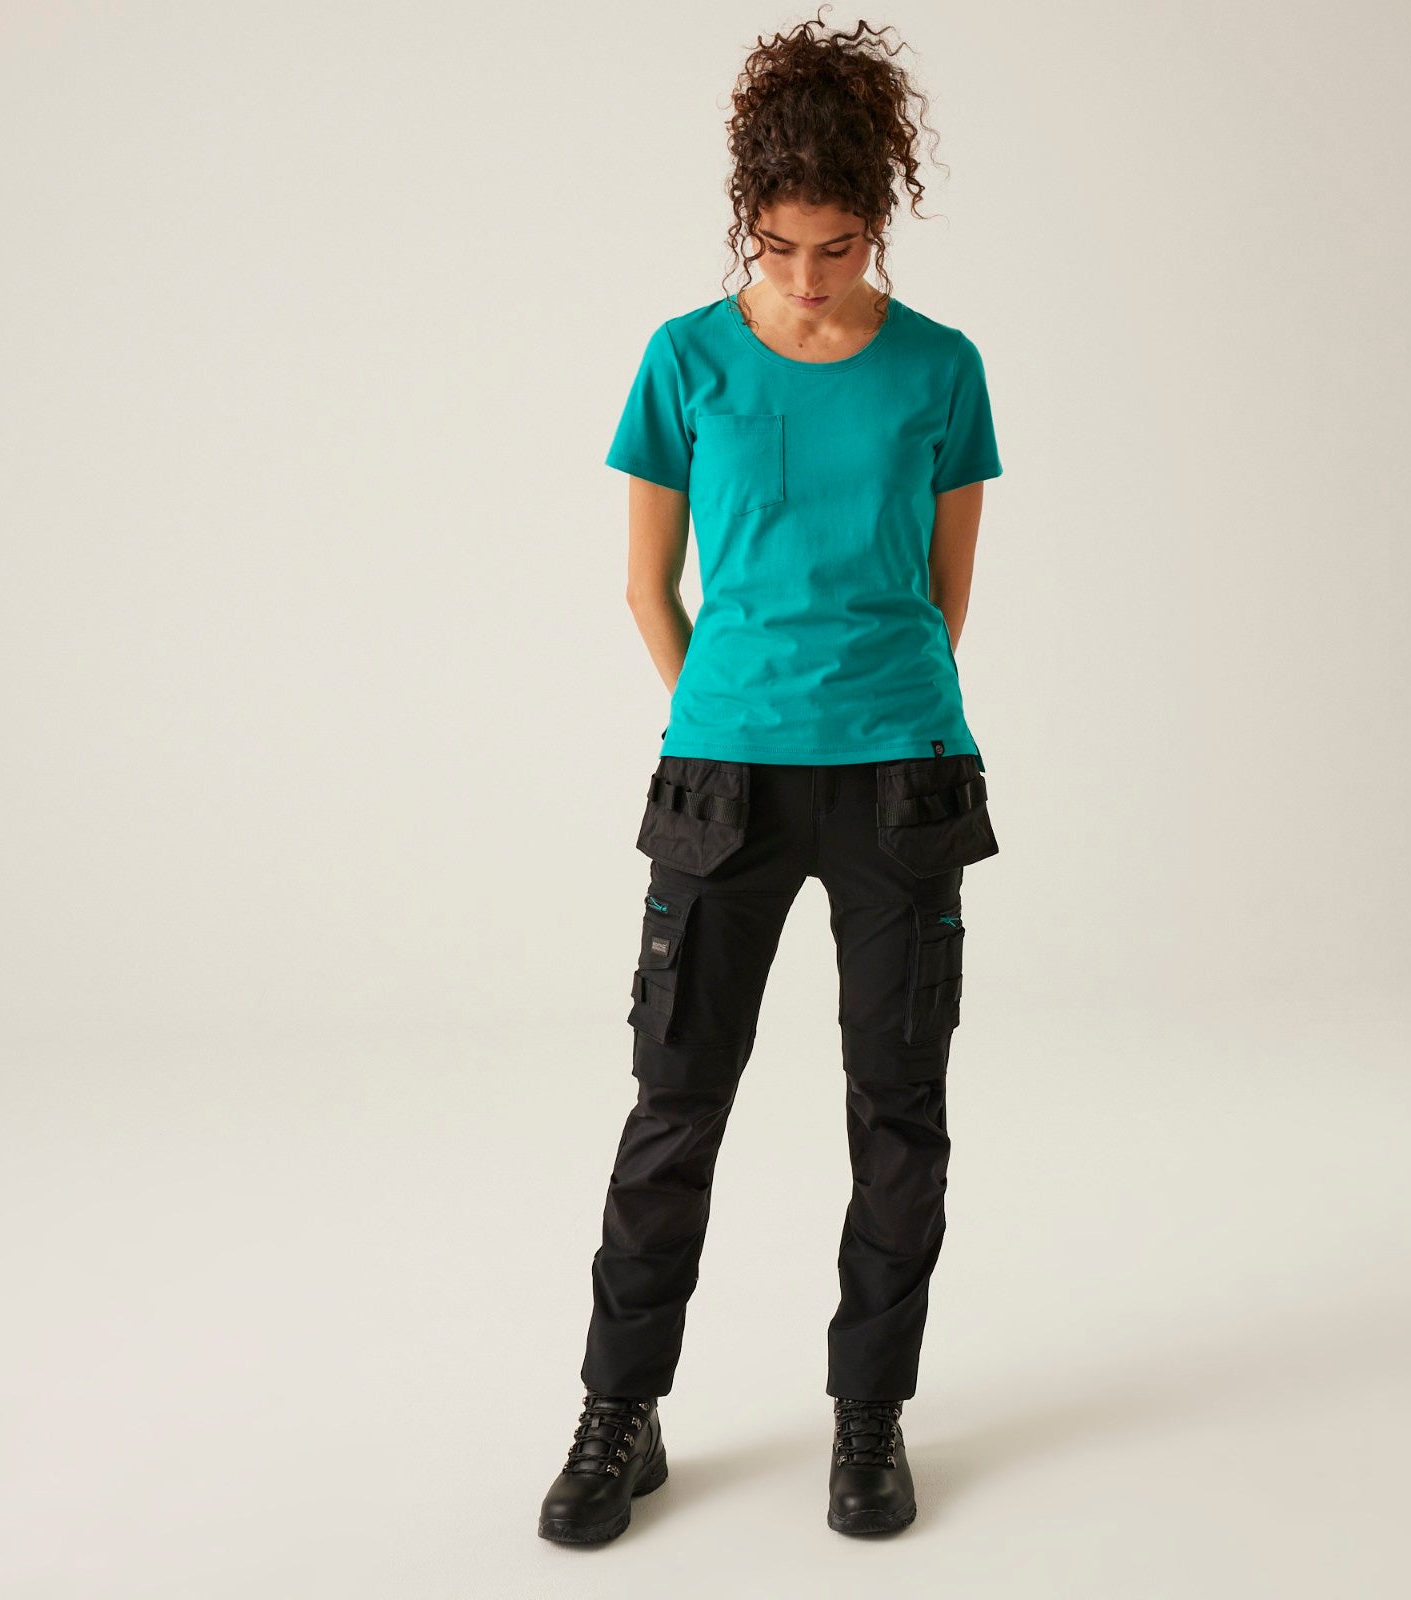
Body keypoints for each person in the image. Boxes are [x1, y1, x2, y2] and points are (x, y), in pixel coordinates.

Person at [538, 10, 1004, 1545]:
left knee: (900, 1108)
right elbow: (645, 587)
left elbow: (945, 591)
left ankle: (869, 1417)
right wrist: (727, 714)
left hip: (901, 783)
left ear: (882, 222)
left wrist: (868, 705)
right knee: (675, 1104)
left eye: (840, 248)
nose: (809, 280)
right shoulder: (685, 359)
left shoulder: (942, 369)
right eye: (782, 248)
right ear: (750, 220)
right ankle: (620, 1413)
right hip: (721, 781)